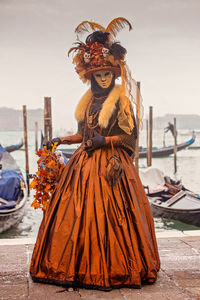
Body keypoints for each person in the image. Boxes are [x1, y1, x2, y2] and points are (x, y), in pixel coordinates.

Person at [30, 18, 160, 290]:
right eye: (98, 75)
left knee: (115, 217)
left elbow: (130, 137)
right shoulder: (88, 103)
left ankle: (114, 267)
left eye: (107, 75)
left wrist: (104, 141)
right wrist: (61, 139)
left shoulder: (122, 102)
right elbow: (83, 135)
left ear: (114, 74)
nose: (103, 79)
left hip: (112, 165)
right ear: (90, 77)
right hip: (83, 164)